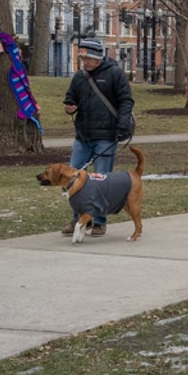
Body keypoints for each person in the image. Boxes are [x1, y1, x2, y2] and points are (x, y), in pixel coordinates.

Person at [61, 38, 135, 236]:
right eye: (83, 58)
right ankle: (78, 220)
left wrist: (122, 125)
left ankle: (100, 222)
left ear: (99, 58)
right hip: (82, 136)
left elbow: (126, 101)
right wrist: (70, 106)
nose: (85, 62)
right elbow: (71, 97)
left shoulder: (115, 74)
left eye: (89, 59)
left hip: (106, 136)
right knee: (74, 178)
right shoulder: (80, 76)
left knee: (102, 182)